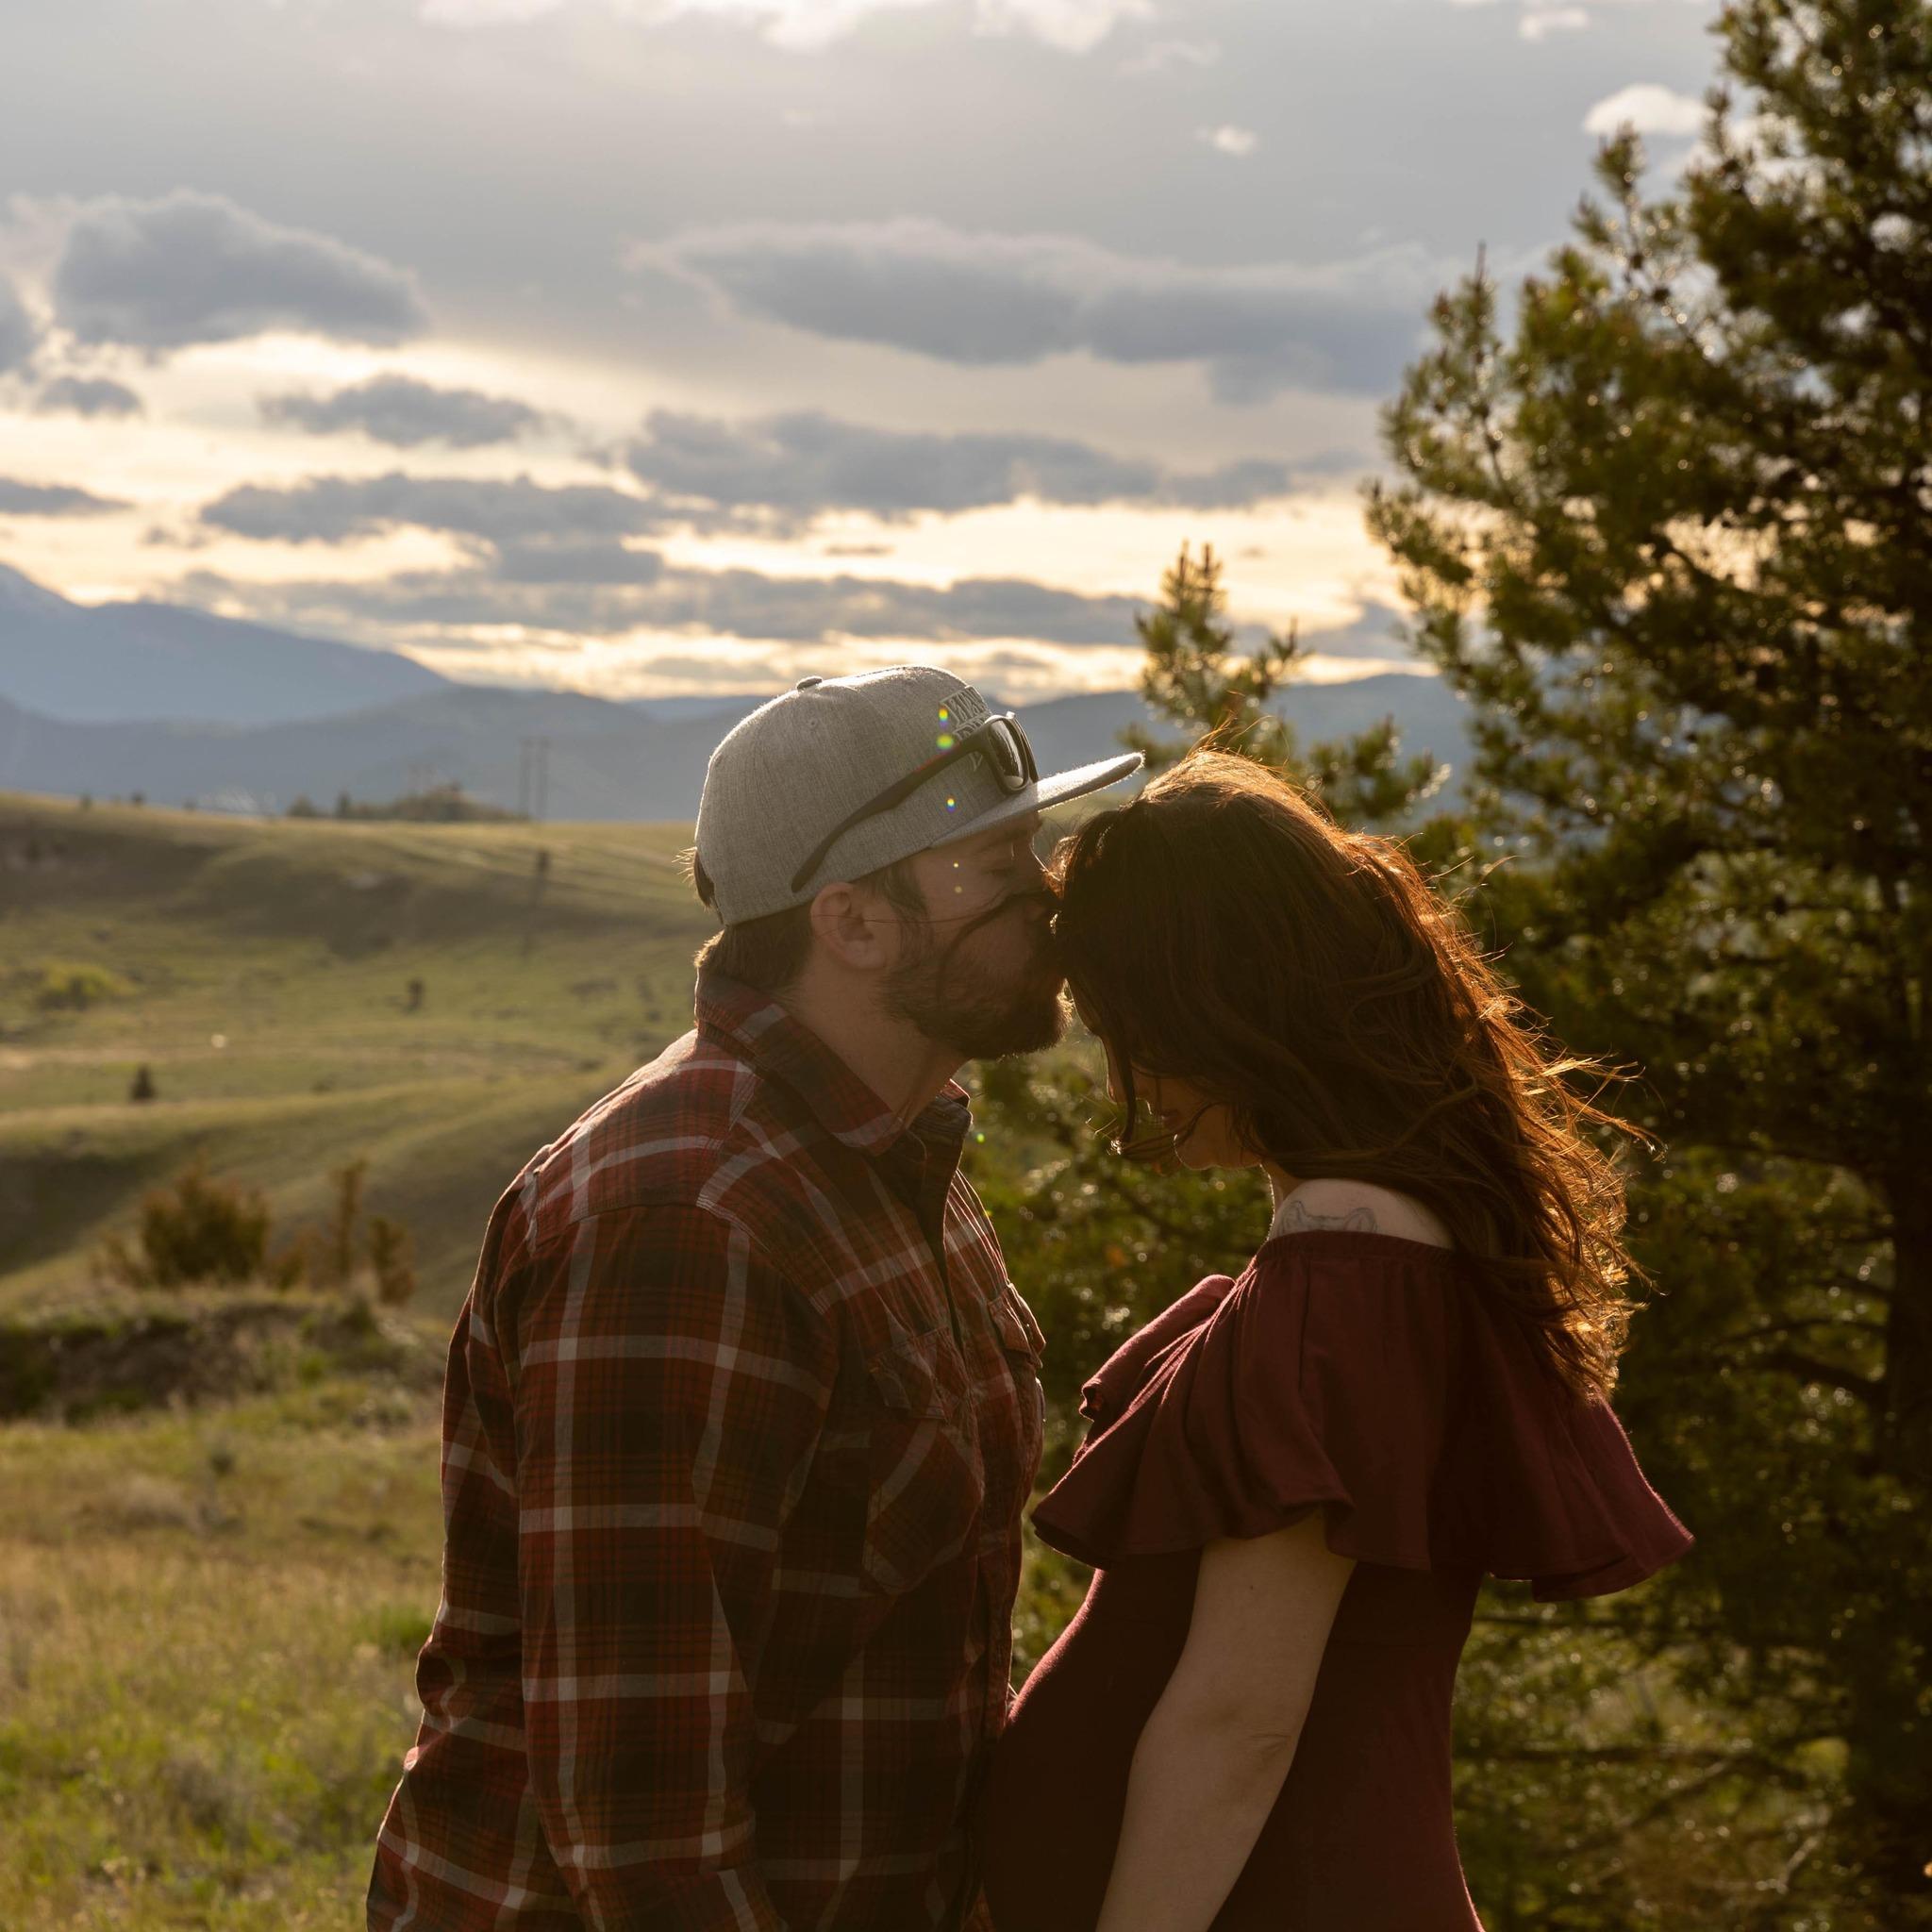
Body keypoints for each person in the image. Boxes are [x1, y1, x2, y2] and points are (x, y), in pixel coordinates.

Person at [366, 666, 1141, 1931]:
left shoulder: (893, 1156)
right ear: (855, 923)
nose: (1046, 902)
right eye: (996, 868)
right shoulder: (687, 1222)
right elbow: (645, 1821)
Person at [978, 747, 1694, 1932]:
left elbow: (1239, 1714)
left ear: (1223, 1012)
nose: (1127, 1075)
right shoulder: (1368, 1253)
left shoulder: (1341, 1285)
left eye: (1131, 1027)